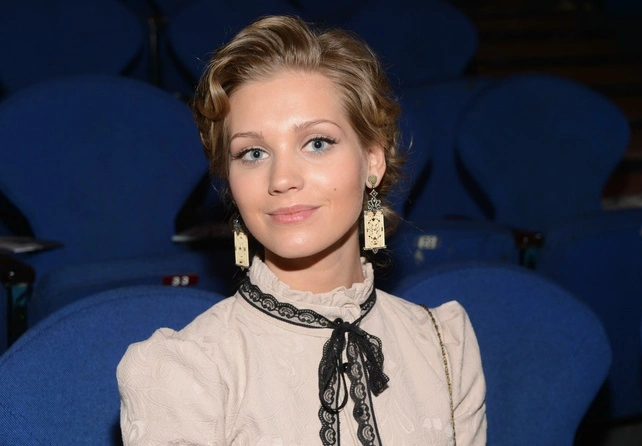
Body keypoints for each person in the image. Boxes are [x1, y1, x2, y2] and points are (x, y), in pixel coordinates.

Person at [117, 15, 486, 445]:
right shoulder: (187, 373)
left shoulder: (445, 345)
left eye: (317, 143)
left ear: (372, 161)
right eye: (253, 153)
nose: (282, 179)